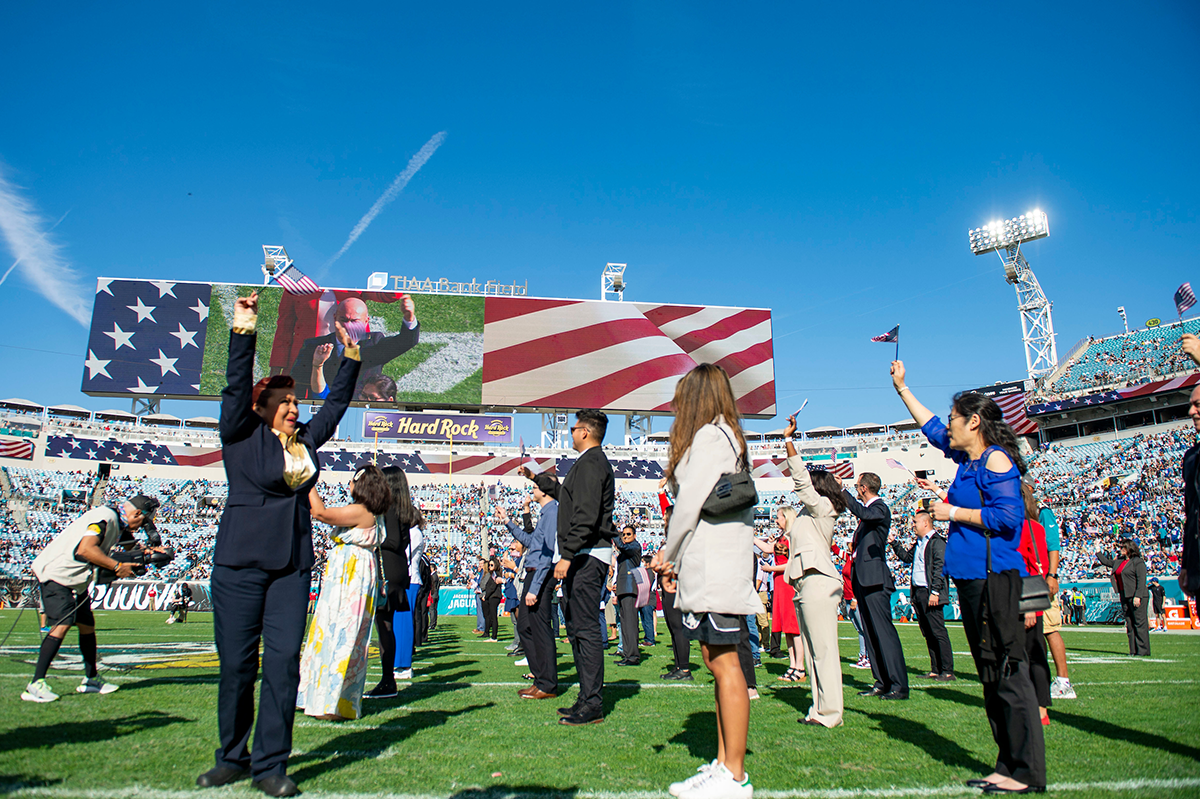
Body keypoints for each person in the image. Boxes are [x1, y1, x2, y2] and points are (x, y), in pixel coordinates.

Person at [200, 291, 360, 798]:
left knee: (284, 666)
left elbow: (335, 403)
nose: (294, 407)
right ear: (264, 407)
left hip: (291, 568)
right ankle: (231, 757)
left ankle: (271, 765)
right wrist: (243, 327)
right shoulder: (240, 434)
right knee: (238, 667)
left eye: (296, 401)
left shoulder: (306, 443)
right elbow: (234, 385)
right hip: (239, 566)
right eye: (286, 402)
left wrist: (351, 356)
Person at [893, 359, 1046, 794]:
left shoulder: (996, 459)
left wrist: (952, 512)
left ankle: (1027, 771)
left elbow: (1008, 518)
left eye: (958, 418)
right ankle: (1006, 763)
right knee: (988, 672)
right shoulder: (966, 456)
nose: (951, 425)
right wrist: (903, 388)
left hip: (996, 576)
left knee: (1007, 669)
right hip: (973, 578)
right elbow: (933, 428)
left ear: (974, 421)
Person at [652, 363, 763, 799]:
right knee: (718, 662)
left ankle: (734, 774)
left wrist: (668, 551)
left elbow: (690, 502)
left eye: (682, 398)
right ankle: (723, 764)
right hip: (712, 564)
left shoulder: (711, 437)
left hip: (715, 565)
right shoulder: (723, 435)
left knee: (726, 664)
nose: (677, 407)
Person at [22, 494, 159, 703]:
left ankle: (91, 679)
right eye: (143, 520)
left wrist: (151, 554)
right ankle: (35, 684)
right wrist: (117, 567)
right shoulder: (106, 518)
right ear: (137, 513)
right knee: (61, 625)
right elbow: (86, 549)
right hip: (59, 575)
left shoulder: (117, 522)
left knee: (87, 625)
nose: (143, 525)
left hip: (74, 579)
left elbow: (132, 548)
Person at [297, 466, 390, 720]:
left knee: (340, 636)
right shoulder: (374, 512)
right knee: (337, 634)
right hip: (352, 574)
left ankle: (331, 702)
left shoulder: (362, 511)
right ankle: (321, 697)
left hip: (351, 578)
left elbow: (321, 512)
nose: (348, 485)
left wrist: (307, 481)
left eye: (352, 481)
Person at [781, 413, 846, 727]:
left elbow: (802, 483)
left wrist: (789, 441)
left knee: (823, 652)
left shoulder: (824, 508)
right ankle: (819, 710)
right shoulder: (810, 514)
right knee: (815, 652)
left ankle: (830, 713)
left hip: (818, 583)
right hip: (807, 585)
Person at [554, 409, 616, 726]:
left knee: (586, 630)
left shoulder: (593, 463)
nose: (570, 432)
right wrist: (536, 479)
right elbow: (572, 502)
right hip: (584, 552)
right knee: (577, 629)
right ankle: (585, 696)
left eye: (574, 427)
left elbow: (587, 515)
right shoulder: (588, 463)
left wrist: (566, 554)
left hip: (588, 554)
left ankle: (592, 702)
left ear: (585, 432)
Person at [843, 471, 908, 700]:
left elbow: (864, 512)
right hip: (864, 579)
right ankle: (881, 682)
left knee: (884, 632)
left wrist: (843, 492)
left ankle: (898, 685)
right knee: (871, 634)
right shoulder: (869, 513)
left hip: (876, 579)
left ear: (863, 488)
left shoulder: (879, 507)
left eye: (856, 485)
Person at [498, 471, 560, 699]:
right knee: (526, 626)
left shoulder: (553, 512)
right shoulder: (546, 513)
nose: (531, 491)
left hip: (540, 575)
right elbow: (533, 542)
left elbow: (547, 553)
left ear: (544, 489)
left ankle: (547, 683)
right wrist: (507, 522)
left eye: (534, 487)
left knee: (540, 629)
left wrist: (534, 588)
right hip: (534, 573)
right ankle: (540, 678)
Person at [290, 295, 419, 401]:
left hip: (363, 416)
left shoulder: (374, 343)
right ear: (334, 318)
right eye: (343, 319)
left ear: (365, 321)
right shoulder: (314, 346)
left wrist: (409, 319)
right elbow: (298, 385)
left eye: (354, 321)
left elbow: (405, 342)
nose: (347, 326)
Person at [364, 466, 420, 699]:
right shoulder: (403, 507)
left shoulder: (388, 507)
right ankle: (388, 679)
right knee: (385, 625)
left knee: (384, 626)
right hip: (397, 569)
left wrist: (372, 539)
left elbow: (393, 540)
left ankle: (388, 680)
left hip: (388, 570)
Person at [889, 504, 954, 681]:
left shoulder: (937, 542)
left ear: (925, 523)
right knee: (927, 631)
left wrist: (935, 592)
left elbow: (940, 568)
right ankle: (935, 669)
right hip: (918, 592)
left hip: (929, 592)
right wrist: (894, 543)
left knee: (938, 631)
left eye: (915, 522)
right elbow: (907, 558)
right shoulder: (919, 543)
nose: (912, 525)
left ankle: (947, 670)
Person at [1018, 483, 1053, 727]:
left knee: (1035, 655)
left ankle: (1041, 707)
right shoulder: (1004, 529)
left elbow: (1037, 568)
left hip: (1028, 602)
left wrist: (1030, 606)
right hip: (1006, 601)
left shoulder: (1033, 528)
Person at [754, 523, 805, 682]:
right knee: (786, 629)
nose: (776, 521)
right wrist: (753, 537)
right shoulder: (782, 537)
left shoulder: (791, 538)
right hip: (779, 583)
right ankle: (792, 665)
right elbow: (768, 549)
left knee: (794, 628)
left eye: (779, 518)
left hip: (787, 584)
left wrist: (771, 569)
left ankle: (800, 667)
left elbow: (792, 563)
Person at [1097, 539, 1150, 656]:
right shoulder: (1120, 561)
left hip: (1136, 595)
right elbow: (1106, 562)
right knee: (1129, 624)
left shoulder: (1138, 562)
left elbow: (1142, 581)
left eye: (1123, 548)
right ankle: (1133, 650)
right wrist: (1097, 550)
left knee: (1139, 623)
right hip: (1125, 595)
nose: (1120, 550)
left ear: (1129, 549)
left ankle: (1143, 650)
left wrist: (1138, 596)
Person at [658, 504, 693, 681]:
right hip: (668, 585)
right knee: (673, 628)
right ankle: (679, 666)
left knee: (678, 628)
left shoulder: (679, 538)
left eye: (666, 514)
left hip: (675, 586)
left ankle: (685, 669)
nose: (663, 517)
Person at [1178, 380, 1200, 598]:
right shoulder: (1191, 457)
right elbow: (1191, 515)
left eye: (1199, 404)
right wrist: (1186, 564)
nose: (1191, 411)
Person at [614, 524, 644, 666]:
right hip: (623, 589)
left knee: (630, 624)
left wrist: (612, 531)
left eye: (628, 534)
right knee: (625, 624)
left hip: (630, 589)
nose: (625, 537)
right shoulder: (627, 550)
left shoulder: (634, 546)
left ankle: (632, 655)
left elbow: (622, 546)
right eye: (623, 535)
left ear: (635, 536)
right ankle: (627, 654)